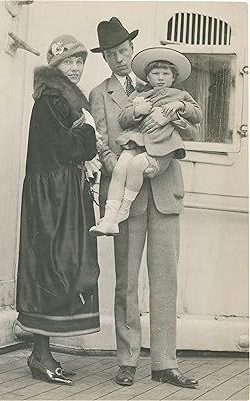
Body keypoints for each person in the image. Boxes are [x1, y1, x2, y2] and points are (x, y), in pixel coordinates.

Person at [89, 17, 199, 388]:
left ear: (132, 51)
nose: (119, 58)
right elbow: (100, 143)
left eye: (123, 51)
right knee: (126, 282)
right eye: (111, 54)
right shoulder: (99, 93)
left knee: (165, 280)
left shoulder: (160, 83)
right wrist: (122, 164)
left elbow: (190, 131)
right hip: (127, 198)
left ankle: (165, 363)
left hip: (165, 191)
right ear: (104, 58)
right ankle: (127, 360)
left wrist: (163, 151)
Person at [15, 35, 100, 385]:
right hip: (51, 198)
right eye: (69, 62)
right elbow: (68, 146)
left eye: (80, 61)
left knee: (60, 266)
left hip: (61, 193)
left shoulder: (61, 99)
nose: (77, 67)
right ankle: (40, 354)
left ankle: (43, 353)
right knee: (50, 268)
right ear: (56, 68)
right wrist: (89, 134)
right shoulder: (51, 99)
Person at [90, 47, 202, 236]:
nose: (160, 78)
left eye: (166, 74)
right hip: (137, 141)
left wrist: (179, 108)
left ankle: (123, 209)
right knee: (121, 166)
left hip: (162, 146)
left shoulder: (180, 95)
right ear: (147, 78)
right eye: (155, 73)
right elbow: (123, 118)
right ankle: (110, 218)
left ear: (173, 77)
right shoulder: (139, 95)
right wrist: (137, 110)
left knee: (135, 165)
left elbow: (197, 115)